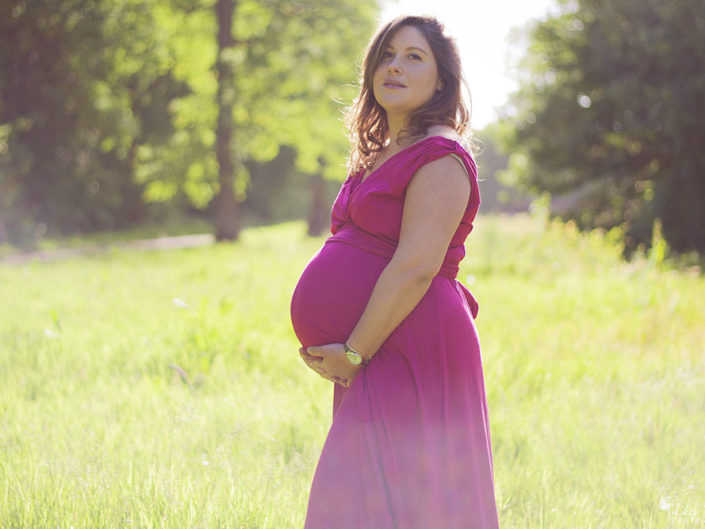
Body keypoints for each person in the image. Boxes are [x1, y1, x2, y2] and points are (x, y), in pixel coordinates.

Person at [290, 14, 500, 529]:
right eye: (387, 54)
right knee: (364, 499)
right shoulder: (380, 152)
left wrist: (355, 351)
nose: (396, 66)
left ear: (442, 79)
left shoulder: (442, 157)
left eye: (414, 57)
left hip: (408, 341)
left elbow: (415, 267)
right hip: (377, 342)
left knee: (409, 502)